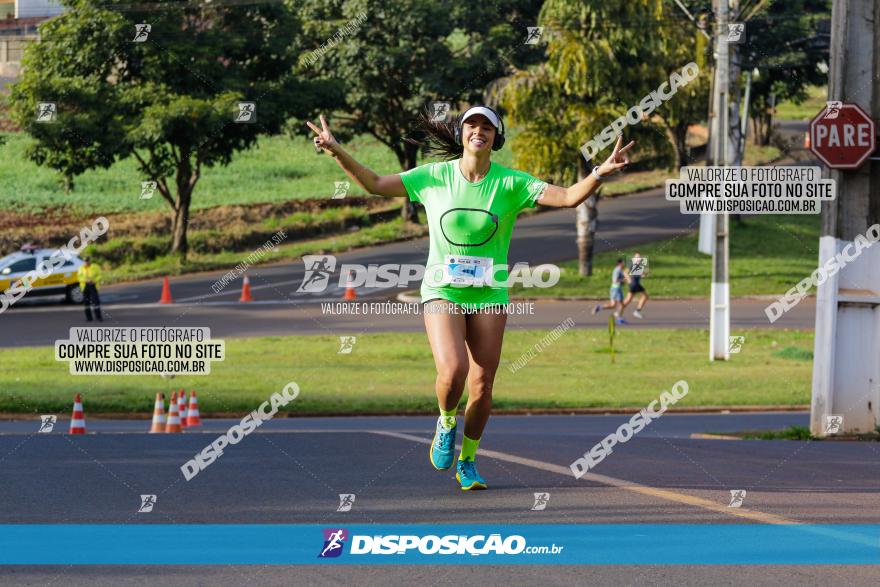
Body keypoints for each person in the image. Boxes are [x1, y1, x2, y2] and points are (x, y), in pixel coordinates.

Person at [308, 107, 634, 490]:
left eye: (487, 127)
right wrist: (336, 150)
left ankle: (468, 460)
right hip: (442, 290)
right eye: (471, 125)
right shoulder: (433, 176)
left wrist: (599, 172)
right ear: (462, 134)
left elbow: (566, 198)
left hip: (489, 293)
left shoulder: (510, 183)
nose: (478, 131)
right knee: (454, 371)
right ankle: (446, 422)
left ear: (497, 137)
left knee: (483, 384)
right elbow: (376, 183)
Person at [592, 258, 628, 324]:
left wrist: (623, 281)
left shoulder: (617, 270)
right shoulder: (618, 270)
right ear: (620, 263)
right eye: (623, 263)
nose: (624, 264)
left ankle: (599, 308)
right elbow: (615, 280)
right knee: (622, 305)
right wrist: (624, 280)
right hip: (616, 289)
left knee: (613, 305)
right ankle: (619, 319)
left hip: (614, 289)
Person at [622, 251, 649, 319]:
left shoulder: (638, 265)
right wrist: (629, 280)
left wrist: (643, 275)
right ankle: (637, 311)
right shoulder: (632, 264)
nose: (638, 258)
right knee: (645, 296)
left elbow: (638, 275)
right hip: (634, 283)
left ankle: (618, 311)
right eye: (637, 257)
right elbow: (625, 272)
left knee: (628, 300)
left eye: (639, 257)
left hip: (634, 284)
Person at [77, 257, 103, 322]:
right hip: (85, 286)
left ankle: (98, 317)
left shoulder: (95, 267)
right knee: (86, 303)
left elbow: (100, 275)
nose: (86, 263)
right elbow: (79, 277)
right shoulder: (81, 268)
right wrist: (85, 280)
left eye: (87, 261)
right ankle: (89, 318)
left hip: (93, 285)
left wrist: (95, 280)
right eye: (85, 261)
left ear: (89, 261)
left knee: (95, 301)